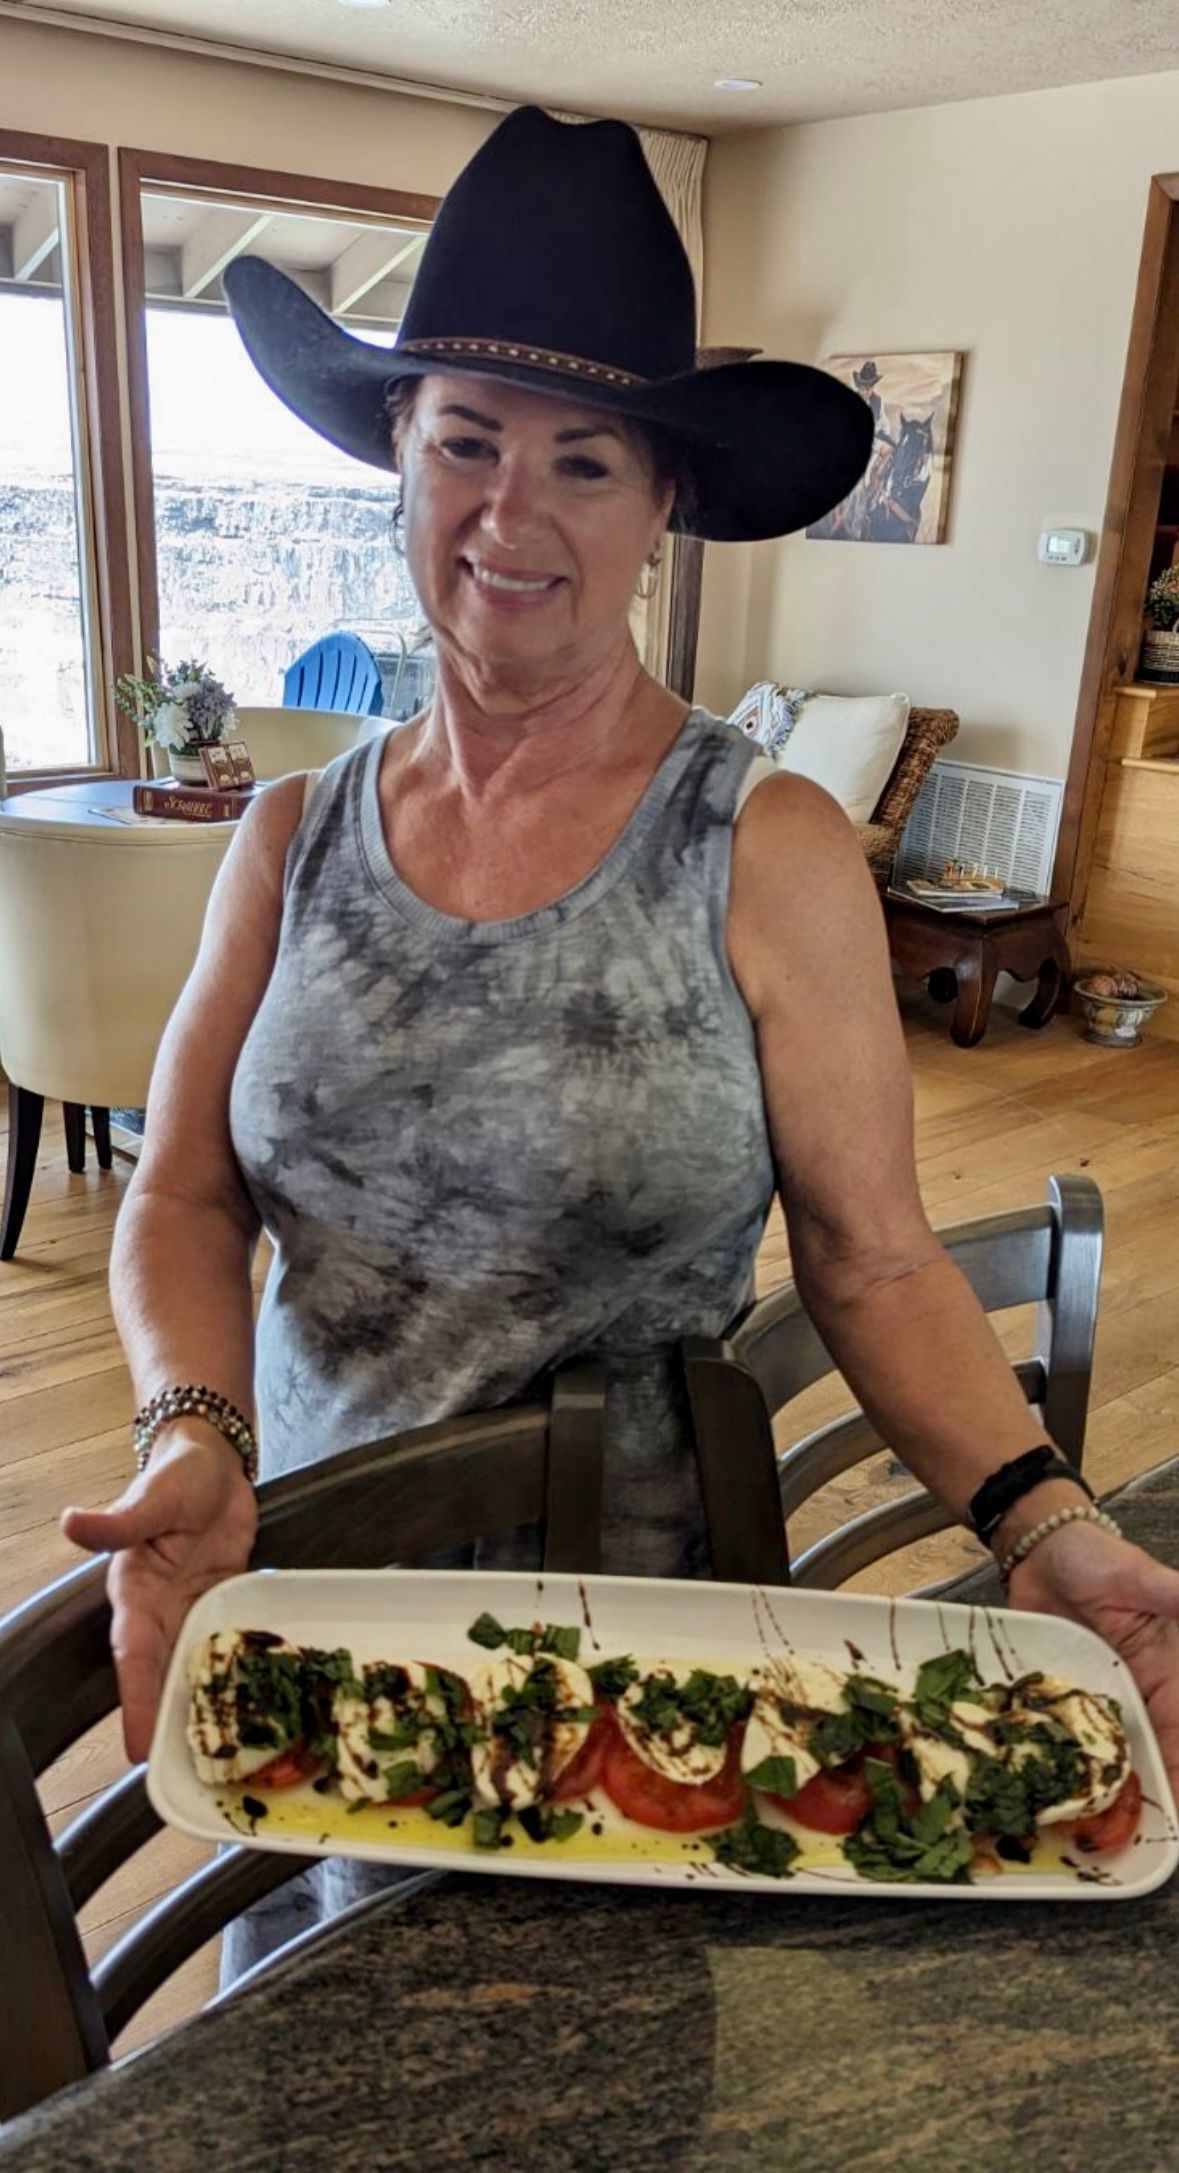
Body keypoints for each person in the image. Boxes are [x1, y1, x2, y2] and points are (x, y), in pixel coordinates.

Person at [64, 108, 1179, 1928]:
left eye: (583, 462)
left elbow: (877, 1258)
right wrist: (191, 1425)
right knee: (319, 2028)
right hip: (310, 1581)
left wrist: (1046, 1520)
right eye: (466, 442)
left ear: (662, 508)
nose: (511, 514)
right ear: (398, 461)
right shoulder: (287, 837)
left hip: (631, 1640)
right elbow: (184, 1192)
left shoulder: (764, 844)